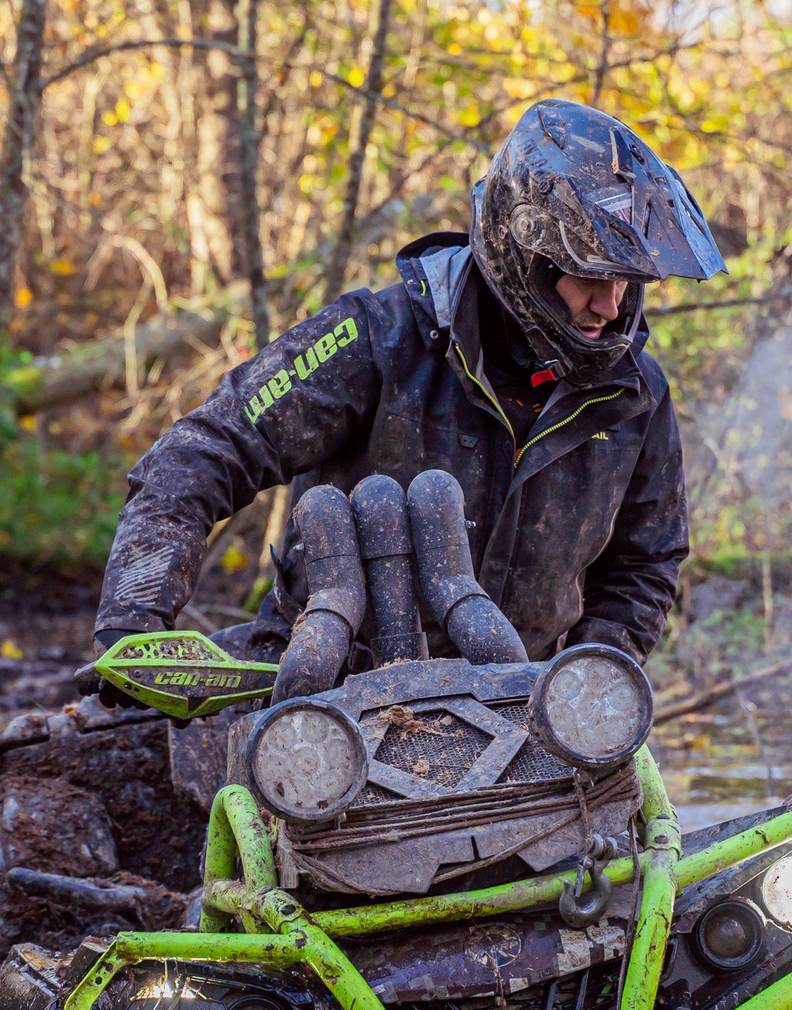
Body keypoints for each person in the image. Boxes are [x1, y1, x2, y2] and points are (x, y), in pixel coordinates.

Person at [82, 98, 726, 688]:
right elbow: (208, 447)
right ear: (525, 254)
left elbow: (646, 561)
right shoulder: (382, 338)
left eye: (628, 282)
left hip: (516, 713)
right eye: (590, 278)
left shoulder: (635, 393)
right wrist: (135, 622)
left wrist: (592, 681)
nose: (609, 308)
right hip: (323, 696)